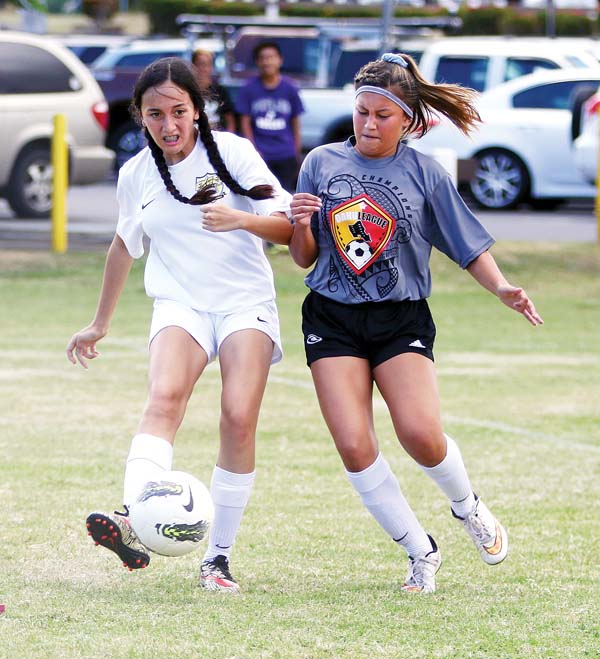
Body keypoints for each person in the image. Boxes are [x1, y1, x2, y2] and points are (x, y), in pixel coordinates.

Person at [289, 53, 544, 594]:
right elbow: (303, 256)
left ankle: (467, 507)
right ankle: (419, 552)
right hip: (331, 317)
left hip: (400, 316)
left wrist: (501, 287)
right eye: (362, 111)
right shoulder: (320, 162)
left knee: (421, 435)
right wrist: (300, 224)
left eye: (382, 115)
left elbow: (467, 245)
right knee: (354, 446)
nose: (369, 124)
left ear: (407, 120)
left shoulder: (425, 173)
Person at [66, 57, 293, 594]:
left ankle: (218, 559)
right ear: (140, 117)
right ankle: (133, 516)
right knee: (163, 398)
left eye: (178, 111)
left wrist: (239, 218)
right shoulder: (136, 173)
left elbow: (286, 226)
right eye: (155, 114)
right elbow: (124, 244)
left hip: (243, 303)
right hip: (180, 303)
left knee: (237, 417)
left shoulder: (232, 153)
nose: (168, 125)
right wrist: (99, 323)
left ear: (197, 110)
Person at [236, 41, 304, 193]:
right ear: (257, 62)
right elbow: (245, 123)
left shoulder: (290, 88)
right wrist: (253, 151)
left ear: (280, 60)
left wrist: (296, 152)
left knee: (285, 195)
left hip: (285, 154)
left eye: (271, 57)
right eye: (263, 58)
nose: (267, 62)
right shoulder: (248, 88)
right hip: (261, 154)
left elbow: (295, 122)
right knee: (261, 195)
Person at [191, 48, 236, 132]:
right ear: (193, 66)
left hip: (217, 135)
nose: (204, 69)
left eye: (207, 64)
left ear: (212, 67)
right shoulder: (188, 91)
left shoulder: (220, 91)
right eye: (200, 64)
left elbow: (230, 121)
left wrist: (228, 136)